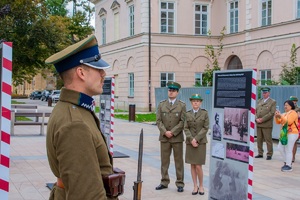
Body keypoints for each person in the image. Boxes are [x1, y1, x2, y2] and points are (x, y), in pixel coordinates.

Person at [45, 35, 120, 199]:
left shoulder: (72, 109)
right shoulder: (74, 123)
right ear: (81, 72)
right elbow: (86, 195)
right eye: (98, 69)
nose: (103, 74)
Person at [156, 81, 186, 192]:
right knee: (164, 161)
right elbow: (158, 121)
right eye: (169, 90)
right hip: (164, 138)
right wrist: (165, 132)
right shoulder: (162, 104)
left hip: (177, 138)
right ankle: (164, 181)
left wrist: (172, 132)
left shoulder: (182, 105)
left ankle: (180, 183)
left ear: (177, 92)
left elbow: (183, 121)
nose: (171, 92)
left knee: (178, 161)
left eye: (173, 90)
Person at [184, 94, 209, 195]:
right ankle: (195, 186)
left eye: (197, 101)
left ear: (200, 103)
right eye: (194, 101)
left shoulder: (204, 113)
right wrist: (191, 139)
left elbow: (205, 127)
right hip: (190, 143)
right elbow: (186, 128)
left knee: (198, 165)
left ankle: (201, 185)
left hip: (201, 142)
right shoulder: (187, 114)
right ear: (191, 102)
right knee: (192, 165)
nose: (195, 103)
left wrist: (196, 139)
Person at [274, 100, 299, 172]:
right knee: (280, 147)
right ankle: (287, 161)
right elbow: (278, 122)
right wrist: (276, 116)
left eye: (287, 105)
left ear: (291, 106)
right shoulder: (284, 114)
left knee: (288, 149)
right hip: (284, 133)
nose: (285, 106)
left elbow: (288, 122)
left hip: (292, 133)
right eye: (284, 105)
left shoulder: (293, 113)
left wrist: (280, 116)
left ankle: (289, 165)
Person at [255, 87, 276, 160]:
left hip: (267, 124)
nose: (264, 94)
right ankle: (260, 153)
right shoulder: (259, 101)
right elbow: (256, 111)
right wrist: (256, 118)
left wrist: (262, 119)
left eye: (265, 92)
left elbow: (272, 113)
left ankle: (269, 154)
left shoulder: (272, 102)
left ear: (269, 93)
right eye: (263, 93)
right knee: (259, 139)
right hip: (258, 123)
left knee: (268, 140)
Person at [289, 96, 300, 163]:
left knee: (294, 142)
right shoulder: (287, 107)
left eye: (294, 102)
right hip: (288, 126)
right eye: (292, 101)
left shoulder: (298, 109)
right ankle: (288, 156)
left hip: (295, 127)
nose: (293, 103)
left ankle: (293, 157)